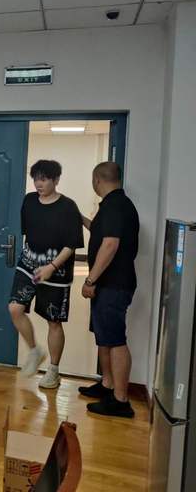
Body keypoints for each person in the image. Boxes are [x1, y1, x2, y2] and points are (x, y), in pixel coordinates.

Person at [9, 159, 84, 389]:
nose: (38, 184)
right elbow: (28, 234)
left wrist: (51, 267)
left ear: (56, 180)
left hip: (56, 273)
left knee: (54, 322)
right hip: (29, 265)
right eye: (36, 179)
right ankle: (35, 351)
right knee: (15, 309)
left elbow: (71, 245)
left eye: (44, 179)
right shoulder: (29, 201)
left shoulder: (68, 207)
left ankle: (53, 370)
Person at [78, 162, 139, 419]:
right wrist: (80, 218)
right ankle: (107, 385)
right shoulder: (116, 205)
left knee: (115, 339)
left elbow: (110, 244)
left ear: (96, 180)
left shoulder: (115, 206)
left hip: (113, 284)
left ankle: (121, 400)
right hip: (110, 284)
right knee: (104, 336)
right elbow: (101, 231)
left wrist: (90, 280)